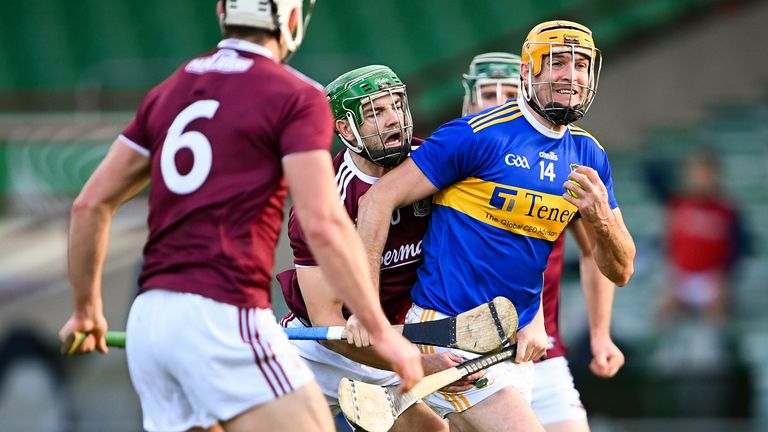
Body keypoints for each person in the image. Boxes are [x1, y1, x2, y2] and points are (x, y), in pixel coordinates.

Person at [57, 2, 422, 431]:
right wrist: (379, 331)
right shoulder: (294, 94)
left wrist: (86, 310)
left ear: (222, 14)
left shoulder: (169, 90)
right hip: (222, 313)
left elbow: (89, 204)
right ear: (290, 21)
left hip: (149, 320)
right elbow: (322, 222)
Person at [356, 20, 635, 432]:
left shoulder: (589, 156)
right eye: (556, 62)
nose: (570, 76)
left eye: (580, 65)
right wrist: (363, 304)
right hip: (448, 332)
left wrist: (601, 218)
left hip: (514, 350)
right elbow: (377, 199)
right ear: (528, 71)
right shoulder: (475, 136)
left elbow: (622, 270)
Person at [277, 65, 480, 432]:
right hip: (323, 350)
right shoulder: (323, 202)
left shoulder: (432, 165)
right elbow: (328, 321)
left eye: (397, 106)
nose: (393, 120)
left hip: (399, 337)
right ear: (344, 128)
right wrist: (416, 363)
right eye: (375, 113)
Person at [462, 52, 626, 431]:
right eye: (489, 94)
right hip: (463, 354)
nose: (501, 103)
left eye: (510, 92)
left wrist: (600, 333)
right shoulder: (453, 157)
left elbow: (594, 253)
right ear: (469, 100)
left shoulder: (558, 163)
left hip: (541, 351)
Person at [657, 149, 751, 326]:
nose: (701, 179)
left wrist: (725, 276)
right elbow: (670, 240)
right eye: (696, 173)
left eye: (706, 173)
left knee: (718, 311)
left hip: (713, 277)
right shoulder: (678, 203)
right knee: (664, 308)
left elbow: (739, 247)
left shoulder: (727, 208)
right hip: (681, 274)